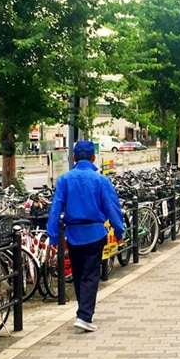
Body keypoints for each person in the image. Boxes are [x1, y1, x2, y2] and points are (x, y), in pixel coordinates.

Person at [46, 139, 127, 332]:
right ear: (93, 158)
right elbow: (112, 207)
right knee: (91, 275)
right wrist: (119, 230)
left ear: (73, 158)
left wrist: (52, 236)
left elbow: (56, 207)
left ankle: (83, 311)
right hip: (95, 232)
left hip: (73, 233)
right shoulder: (101, 180)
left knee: (79, 273)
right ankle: (84, 315)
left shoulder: (64, 179)